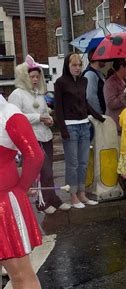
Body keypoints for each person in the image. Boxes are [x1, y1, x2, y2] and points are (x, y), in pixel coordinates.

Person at [8, 55, 68, 214]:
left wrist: (48, 118)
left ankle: (52, 198)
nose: (35, 79)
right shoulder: (17, 94)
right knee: (44, 170)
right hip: (30, 138)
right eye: (31, 76)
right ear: (24, 76)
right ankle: (41, 202)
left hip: (45, 135)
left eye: (37, 76)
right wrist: (38, 117)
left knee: (49, 170)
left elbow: (44, 111)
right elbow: (14, 117)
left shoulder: (39, 93)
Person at [0, 97, 44, 289]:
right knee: (21, 275)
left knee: (20, 273)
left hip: (3, 205)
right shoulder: (8, 113)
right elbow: (34, 155)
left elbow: (35, 155)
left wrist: (20, 189)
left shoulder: (9, 113)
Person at [54, 52, 104, 209]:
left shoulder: (84, 81)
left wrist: (99, 116)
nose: (77, 68)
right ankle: (73, 195)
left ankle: (82, 193)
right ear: (67, 66)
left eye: (79, 65)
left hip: (84, 125)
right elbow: (58, 108)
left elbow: (85, 103)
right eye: (74, 65)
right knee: (72, 163)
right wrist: (63, 129)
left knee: (83, 162)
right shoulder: (60, 83)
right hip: (70, 126)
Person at [104, 58, 126, 133]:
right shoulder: (110, 83)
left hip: (125, 123)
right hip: (116, 124)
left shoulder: (124, 80)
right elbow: (111, 103)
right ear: (122, 67)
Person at [83, 49, 106, 114]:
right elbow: (90, 97)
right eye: (103, 56)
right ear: (96, 58)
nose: (105, 58)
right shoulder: (90, 74)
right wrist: (99, 114)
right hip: (97, 116)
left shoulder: (99, 73)